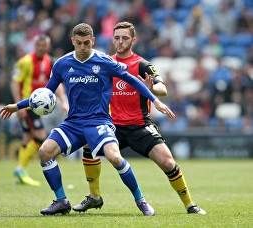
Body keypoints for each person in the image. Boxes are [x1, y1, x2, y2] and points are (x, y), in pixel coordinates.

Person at [0, 23, 175, 216]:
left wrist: (155, 100)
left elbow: (132, 80)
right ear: (72, 41)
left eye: (86, 44)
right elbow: (46, 92)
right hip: (73, 123)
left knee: (115, 157)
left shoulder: (105, 61)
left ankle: (141, 201)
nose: (83, 48)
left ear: (93, 41)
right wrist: (17, 106)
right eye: (79, 43)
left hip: (99, 121)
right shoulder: (62, 64)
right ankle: (61, 201)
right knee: (44, 152)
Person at [72, 21, 206, 215]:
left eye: (125, 38)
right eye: (117, 38)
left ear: (133, 40)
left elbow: (163, 88)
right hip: (112, 125)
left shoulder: (142, 64)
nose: (120, 41)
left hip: (139, 125)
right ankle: (94, 197)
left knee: (168, 163)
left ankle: (190, 205)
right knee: (87, 144)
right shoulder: (104, 63)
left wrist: (151, 88)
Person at [10, 34, 68, 186]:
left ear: (48, 47)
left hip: (39, 107)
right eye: (38, 45)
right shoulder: (25, 61)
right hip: (28, 105)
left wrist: (63, 101)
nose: (41, 48)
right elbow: (15, 83)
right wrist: (18, 105)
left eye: (44, 46)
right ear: (34, 46)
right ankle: (20, 169)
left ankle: (20, 172)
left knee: (27, 138)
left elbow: (57, 83)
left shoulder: (51, 62)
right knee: (41, 136)